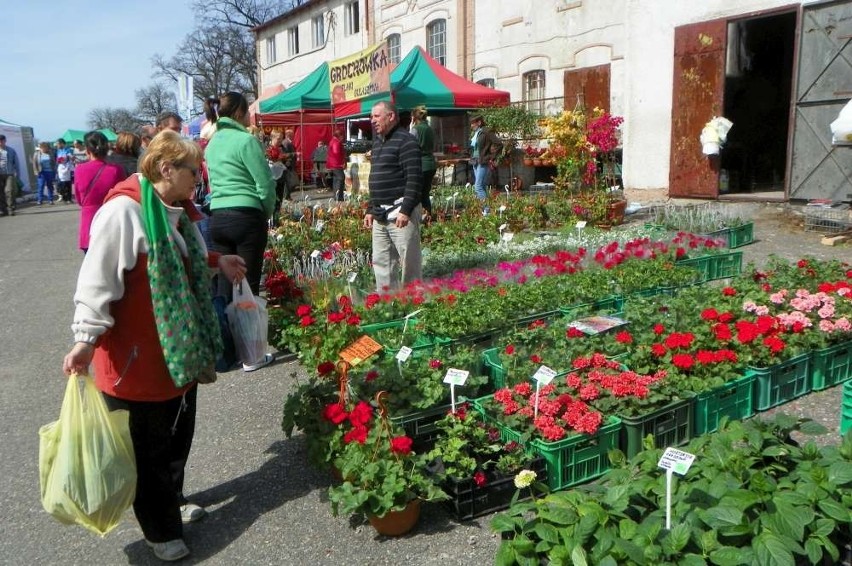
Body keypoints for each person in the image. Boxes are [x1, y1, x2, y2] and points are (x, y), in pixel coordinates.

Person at [62, 130, 247, 563]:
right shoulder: (124, 212)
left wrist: (217, 261)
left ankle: (173, 499)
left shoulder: (174, 208)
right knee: (147, 449)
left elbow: (181, 259)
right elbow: (96, 281)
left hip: (178, 352)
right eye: (192, 171)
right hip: (136, 359)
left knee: (176, 434)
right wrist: (85, 340)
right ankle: (159, 530)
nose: (198, 179)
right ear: (166, 169)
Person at [203, 92, 276, 361]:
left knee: (224, 283)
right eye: (247, 112)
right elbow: (264, 183)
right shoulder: (246, 140)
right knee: (247, 283)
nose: (249, 117)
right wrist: (265, 211)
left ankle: (225, 349)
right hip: (246, 214)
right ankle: (251, 354)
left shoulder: (211, 144)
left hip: (219, 216)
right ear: (239, 113)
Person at [364, 101, 423, 291]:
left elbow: (414, 179)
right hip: (381, 214)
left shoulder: (407, 141)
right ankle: (388, 307)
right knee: (381, 263)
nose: (372, 120)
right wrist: (370, 209)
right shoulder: (378, 141)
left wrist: (405, 211)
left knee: (409, 264)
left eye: (376, 116)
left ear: (391, 116)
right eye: (371, 116)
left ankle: (413, 305)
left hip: (400, 213)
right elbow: (376, 178)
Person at [73, 131, 127, 252]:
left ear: (87, 150)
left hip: (89, 222)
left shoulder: (79, 170)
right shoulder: (116, 170)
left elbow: (79, 199)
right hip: (111, 220)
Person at [469, 114, 503, 208]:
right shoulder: (476, 133)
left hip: (483, 161)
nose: (471, 126)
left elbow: (499, 144)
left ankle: (486, 211)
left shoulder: (486, 131)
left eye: (473, 123)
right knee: (482, 186)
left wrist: (491, 157)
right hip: (475, 162)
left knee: (478, 187)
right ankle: (486, 210)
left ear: (479, 123)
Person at [410, 106, 436, 217]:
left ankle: (420, 218)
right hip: (430, 163)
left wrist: (410, 128)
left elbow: (409, 145)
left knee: (417, 194)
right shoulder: (430, 128)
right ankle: (428, 217)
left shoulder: (415, 129)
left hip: (420, 164)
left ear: (414, 118)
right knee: (425, 193)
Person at [0, 134, 21, 216]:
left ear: (5, 141)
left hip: (9, 174)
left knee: (9, 191)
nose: (0, 143)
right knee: (0, 192)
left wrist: (18, 174)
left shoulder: (11, 150)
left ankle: (10, 208)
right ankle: (3, 209)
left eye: (2, 141)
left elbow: (16, 163)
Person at [327, 129, 346, 201]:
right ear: (339, 135)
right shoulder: (336, 142)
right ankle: (339, 197)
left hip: (332, 164)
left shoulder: (332, 141)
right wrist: (342, 163)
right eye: (342, 136)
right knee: (340, 179)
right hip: (337, 164)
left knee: (335, 180)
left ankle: (336, 196)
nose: (343, 137)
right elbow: (336, 152)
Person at [55, 138, 74, 203]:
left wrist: (69, 157)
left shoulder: (68, 149)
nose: (57, 145)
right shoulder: (58, 151)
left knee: (67, 183)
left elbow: (70, 157)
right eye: (57, 144)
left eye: (58, 144)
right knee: (61, 184)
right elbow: (57, 159)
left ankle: (69, 198)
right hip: (60, 168)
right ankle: (64, 198)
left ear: (62, 143)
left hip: (67, 167)